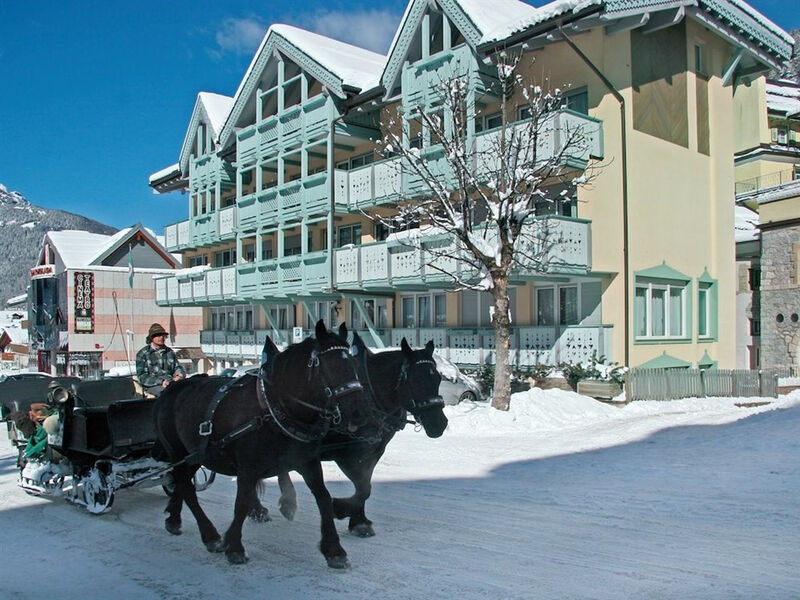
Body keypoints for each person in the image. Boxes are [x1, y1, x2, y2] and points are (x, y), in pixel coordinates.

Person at [136, 323, 185, 397]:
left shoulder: (169, 352)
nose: (162, 337)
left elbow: (177, 367)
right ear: (152, 337)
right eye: (158, 335)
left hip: (171, 383)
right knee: (167, 394)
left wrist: (179, 376)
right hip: (153, 386)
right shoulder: (143, 354)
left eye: (163, 335)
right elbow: (142, 377)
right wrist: (160, 382)